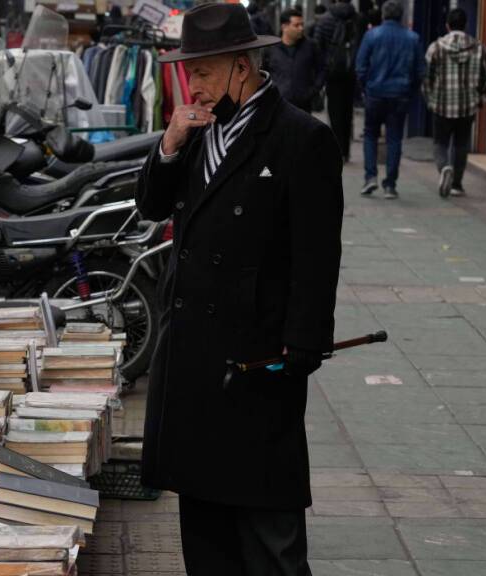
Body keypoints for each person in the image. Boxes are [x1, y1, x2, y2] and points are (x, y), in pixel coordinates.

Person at [138, 3, 343, 575]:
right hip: (194, 360)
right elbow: (151, 206)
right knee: (206, 538)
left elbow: (318, 255)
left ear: (242, 68)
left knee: (269, 536)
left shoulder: (301, 139)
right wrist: (171, 142)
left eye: (202, 71)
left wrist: (301, 348)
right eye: (188, 72)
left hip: (257, 361)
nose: (192, 85)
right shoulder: (198, 129)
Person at [354, 0, 425, 199]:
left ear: (384, 15)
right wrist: (410, 90)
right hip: (400, 94)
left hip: (375, 93)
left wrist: (366, 89)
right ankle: (390, 184)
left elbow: (360, 66)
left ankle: (370, 177)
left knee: (370, 135)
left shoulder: (371, 35)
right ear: (401, 16)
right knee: (394, 138)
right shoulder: (412, 38)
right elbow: (420, 70)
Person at [424, 7, 486, 197]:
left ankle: (444, 167)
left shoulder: (436, 47)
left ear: (447, 25)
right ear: (466, 25)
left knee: (440, 143)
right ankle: (456, 184)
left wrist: (430, 98)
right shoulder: (479, 48)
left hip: (441, 104)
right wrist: (479, 96)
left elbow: (426, 77)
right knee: (461, 144)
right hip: (467, 105)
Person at [313, 0, 358, 162]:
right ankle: (346, 150)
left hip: (332, 73)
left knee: (334, 111)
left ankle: (337, 150)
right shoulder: (357, 18)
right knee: (348, 111)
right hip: (352, 71)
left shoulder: (325, 20)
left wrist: (321, 71)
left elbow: (318, 47)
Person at [266, 8, 326, 112]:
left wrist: (314, 90)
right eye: (296, 25)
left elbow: (322, 69)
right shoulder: (271, 49)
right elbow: (262, 73)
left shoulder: (311, 46)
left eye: (302, 24)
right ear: (284, 27)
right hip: (279, 105)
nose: (301, 28)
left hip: (304, 105)